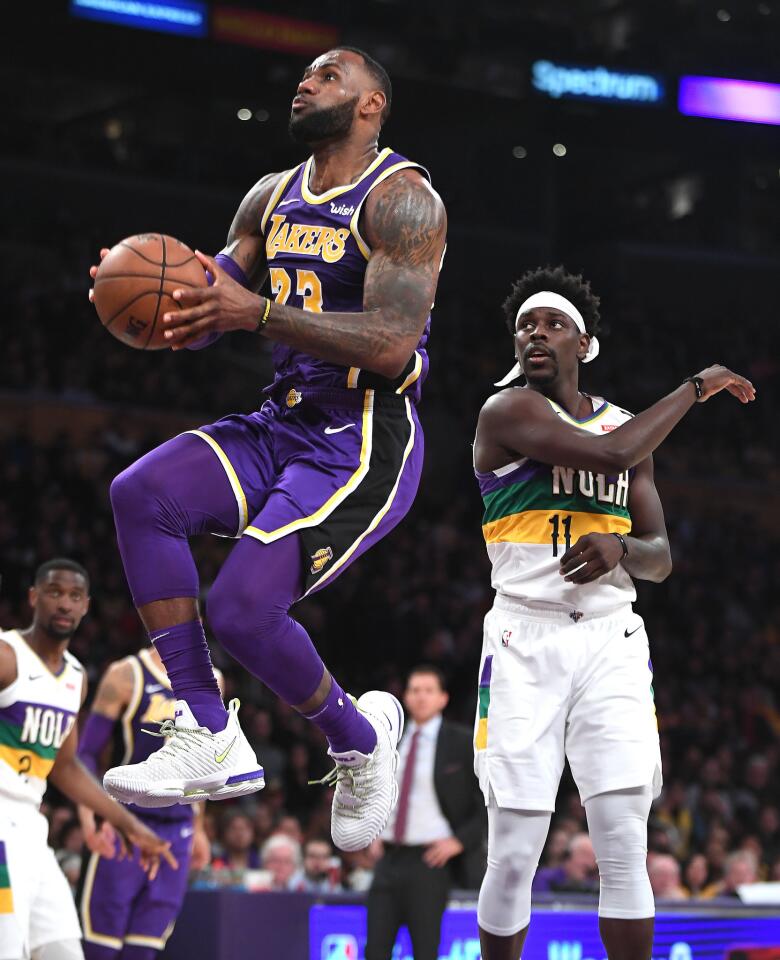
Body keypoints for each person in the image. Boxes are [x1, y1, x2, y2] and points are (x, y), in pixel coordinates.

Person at [89, 45, 447, 853]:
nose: (307, 80)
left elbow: (392, 345)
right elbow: (210, 301)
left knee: (243, 610)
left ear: (371, 105)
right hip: (281, 419)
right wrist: (138, 294)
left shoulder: (404, 199)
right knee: (141, 494)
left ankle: (359, 742)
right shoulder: (269, 196)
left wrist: (253, 315)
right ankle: (207, 727)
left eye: (330, 74)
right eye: (306, 72)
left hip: (362, 436)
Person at [471, 266, 755, 960]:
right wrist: (696, 387)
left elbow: (659, 558)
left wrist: (621, 545)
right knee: (514, 850)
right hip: (522, 634)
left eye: (553, 324)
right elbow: (612, 454)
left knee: (624, 842)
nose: (535, 334)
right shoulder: (504, 411)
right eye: (525, 326)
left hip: (610, 638)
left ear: (585, 344)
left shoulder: (626, 425)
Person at [0, 559, 176, 960]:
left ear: (85, 607)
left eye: (74, 596)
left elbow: (65, 767)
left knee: (64, 951)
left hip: (31, 828)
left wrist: (129, 824)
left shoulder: (75, 676)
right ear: (33, 597)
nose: (64, 603)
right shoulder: (7, 656)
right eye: (54, 592)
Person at [76, 644, 218, 959]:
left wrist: (199, 827)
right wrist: (90, 817)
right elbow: (85, 753)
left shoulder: (214, 679)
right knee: (100, 944)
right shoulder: (125, 674)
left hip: (178, 828)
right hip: (125, 822)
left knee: (146, 947)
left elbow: (204, 764)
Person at [367, 665, 486, 960]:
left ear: (443, 698)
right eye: (415, 690)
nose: (421, 697)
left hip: (430, 863)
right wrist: (371, 831)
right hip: (388, 858)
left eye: (429, 690)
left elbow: (488, 802)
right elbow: (373, 791)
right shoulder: (390, 741)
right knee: (375, 951)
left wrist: (459, 841)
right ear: (405, 697)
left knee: (425, 950)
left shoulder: (461, 742)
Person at [532, 833, 598, 894]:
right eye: (584, 855)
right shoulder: (545, 878)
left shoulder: (596, 885)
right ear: (568, 854)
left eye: (593, 857)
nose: (589, 863)